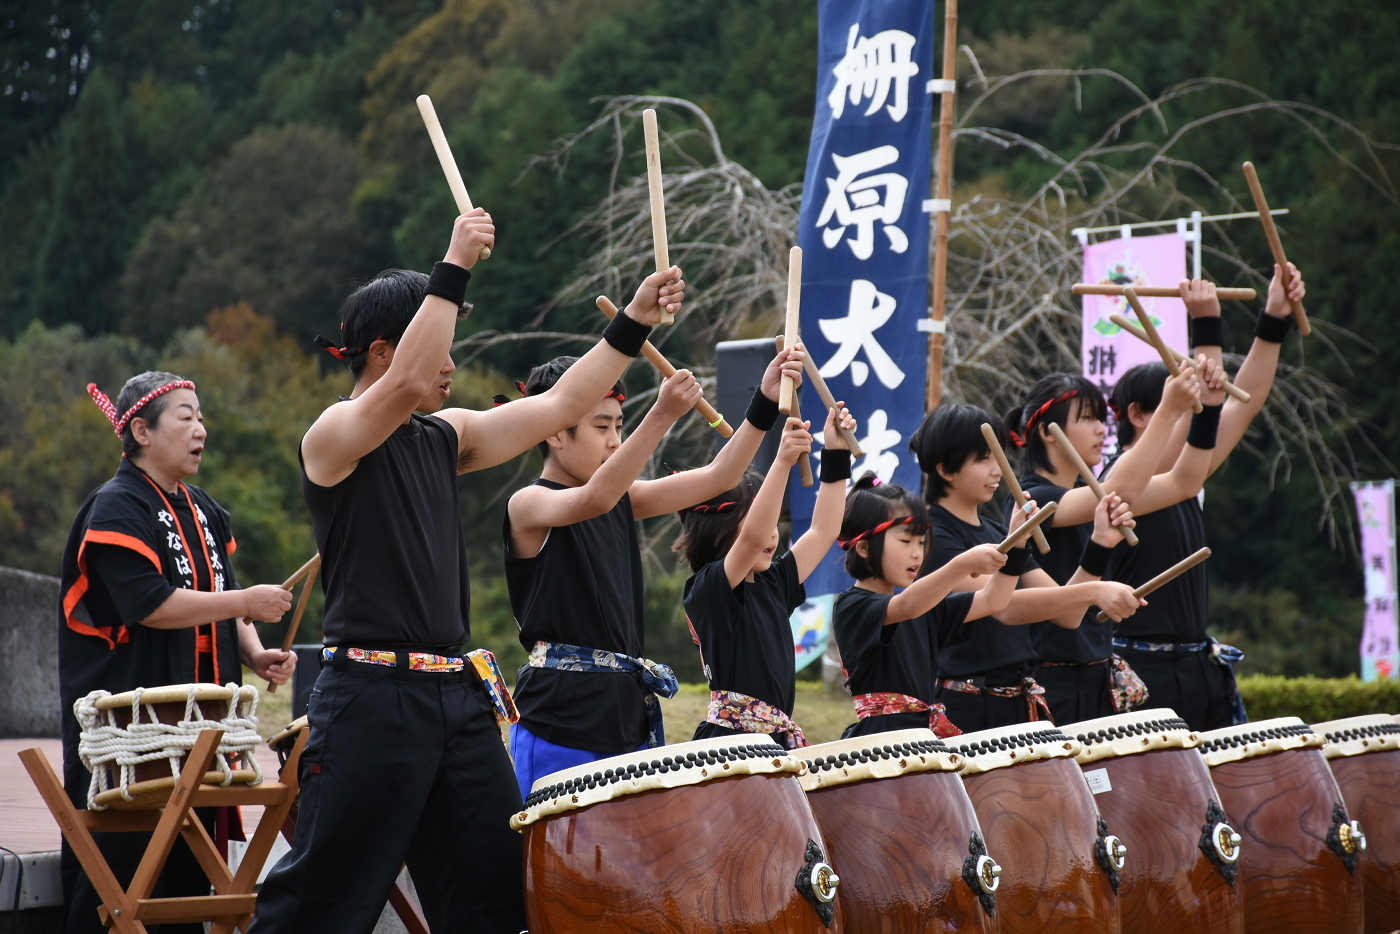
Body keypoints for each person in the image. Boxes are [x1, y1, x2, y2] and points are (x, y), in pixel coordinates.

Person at [249, 209, 685, 933]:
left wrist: (634, 318)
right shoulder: (332, 436)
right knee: (323, 903)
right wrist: (452, 265)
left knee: (494, 893)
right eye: (442, 344)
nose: (451, 364)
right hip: (369, 699)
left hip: (455, 696)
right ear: (382, 351)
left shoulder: (446, 435)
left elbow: (562, 403)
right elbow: (407, 381)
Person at [504, 343, 805, 795]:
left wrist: (763, 400)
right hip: (559, 716)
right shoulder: (529, 504)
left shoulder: (621, 499)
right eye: (602, 426)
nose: (614, 441)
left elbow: (719, 477)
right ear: (554, 432)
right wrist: (662, 414)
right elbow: (595, 498)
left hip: (625, 713)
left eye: (619, 426)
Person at [59, 371, 296, 934]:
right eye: (186, 417)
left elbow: (219, 595)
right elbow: (151, 605)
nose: (201, 430)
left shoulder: (203, 508)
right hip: (133, 732)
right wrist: (246, 600)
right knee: (122, 874)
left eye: (201, 417)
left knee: (188, 880)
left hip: (199, 730)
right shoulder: (115, 506)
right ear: (141, 431)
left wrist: (254, 652)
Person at [1106, 266, 1306, 731]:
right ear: (1138, 414)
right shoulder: (1114, 482)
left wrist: (1274, 316)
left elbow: (1242, 402)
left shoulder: (1186, 474)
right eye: (1175, 400)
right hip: (1139, 668)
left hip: (1196, 664)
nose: (1189, 408)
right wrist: (1206, 328)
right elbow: (1208, 409)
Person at [1003, 357, 1225, 723]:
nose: (1101, 429)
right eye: (1087, 418)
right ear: (1047, 432)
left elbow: (1185, 482)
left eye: (1100, 418)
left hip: (1097, 680)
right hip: (1053, 687)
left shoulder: (1082, 494)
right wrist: (1168, 411)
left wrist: (1209, 409)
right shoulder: (1032, 500)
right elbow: (1117, 490)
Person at [910, 404, 1143, 732]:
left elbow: (1067, 614)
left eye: (999, 457)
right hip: (967, 706)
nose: (997, 470)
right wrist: (1095, 591)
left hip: (1018, 701)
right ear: (946, 469)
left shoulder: (996, 531)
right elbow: (1002, 605)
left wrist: (1100, 543)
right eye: (984, 459)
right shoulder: (933, 536)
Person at [677, 405, 855, 749]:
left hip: (773, 741)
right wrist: (782, 462)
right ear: (717, 531)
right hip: (729, 745)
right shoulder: (708, 589)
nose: (772, 534)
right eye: (762, 521)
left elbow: (823, 530)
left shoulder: (772, 582)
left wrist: (835, 452)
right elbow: (753, 539)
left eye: (775, 523)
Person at [832, 473, 1025, 737]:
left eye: (922, 543)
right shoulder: (853, 606)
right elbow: (907, 605)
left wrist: (1017, 543)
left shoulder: (925, 608)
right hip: (883, 739)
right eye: (905, 541)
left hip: (923, 737)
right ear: (864, 548)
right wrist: (962, 564)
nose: (917, 553)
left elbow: (995, 599)